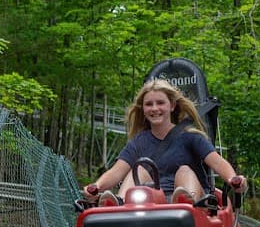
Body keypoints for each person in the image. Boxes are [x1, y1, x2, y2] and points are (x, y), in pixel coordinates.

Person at [83, 79, 247, 206]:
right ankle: (120, 204)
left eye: (160, 103)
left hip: (193, 200)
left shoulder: (191, 137)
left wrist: (234, 179)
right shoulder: (139, 142)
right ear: (143, 109)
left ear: (172, 106)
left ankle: (185, 204)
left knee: (184, 170)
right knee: (139, 169)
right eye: (149, 104)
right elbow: (116, 172)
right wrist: (96, 187)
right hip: (152, 202)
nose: (154, 108)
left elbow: (218, 163)